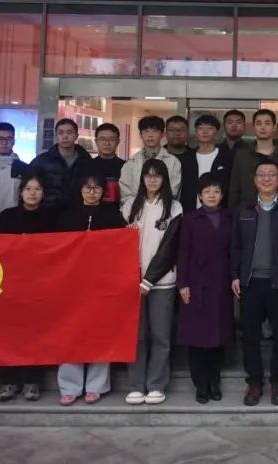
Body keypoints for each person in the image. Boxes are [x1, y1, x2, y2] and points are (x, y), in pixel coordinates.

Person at [52, 172, 126, 406]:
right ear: (80, 190)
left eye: (96, 188)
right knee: (70, 333)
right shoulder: (66, 216)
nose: (92, 192)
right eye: (87, 188)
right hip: (71, 283)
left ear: (104, 192)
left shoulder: (113, 216)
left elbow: (120, 248)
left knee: (99, 332)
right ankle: (69, 386)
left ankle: (96, 386)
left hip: (102, 283)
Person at [232, 159, 278, 406]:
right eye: (262, 174)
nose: (266, 179)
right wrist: (234, 275)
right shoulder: (244, 209)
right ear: (255, 179)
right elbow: (235, 246)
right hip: (250, 282)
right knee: (250, 336)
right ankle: (255, 382)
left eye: (271, 174)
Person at [123, 158, 183, 406]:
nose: (152, 179)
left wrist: (149, 280)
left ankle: (156, 384)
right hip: (131, 282)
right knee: (136, 336)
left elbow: (170, 247)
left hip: (162, 283)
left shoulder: (175, 207)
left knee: (160, 336)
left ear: (164, 179)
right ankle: (136, 385)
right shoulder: (130, 206)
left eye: (157, 175)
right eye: (148, 175)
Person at [0, 172, 55, 401]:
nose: (32, 193)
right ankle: (8, 382)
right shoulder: (6, 217)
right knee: (8, 334)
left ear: (43, 193)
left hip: (39, 286)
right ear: (20, 193)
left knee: (35, 334)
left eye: (37, 189)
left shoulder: (52, 219)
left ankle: (32, 382)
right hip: (9, 284)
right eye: (28, 189)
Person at [177, 173, 233, 405]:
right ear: (200, 195)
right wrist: (183, 283)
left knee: (218, 337)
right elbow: (183, 253)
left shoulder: (229, 218)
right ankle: (200, 384)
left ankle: (214, 382)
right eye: (207, 191)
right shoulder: (191, 219)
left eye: (216, 191)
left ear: (222, 195)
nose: (212, 195)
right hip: (196, 285)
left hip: (221, 284)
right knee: (197, 338)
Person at [228, 109, 278, 210]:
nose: (263, 127)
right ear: (254, 127)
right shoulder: (242, 155)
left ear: (274, 127)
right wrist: (233, 212)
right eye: (258, 123)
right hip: (247, 211)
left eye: (267, 123)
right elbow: (234, 188)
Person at [29, 118, 92, 209]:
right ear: (56, 136)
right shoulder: (42, 161)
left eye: (69, 132)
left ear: (76, 136)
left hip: (79, 211)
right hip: (48, 211)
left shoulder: (86, 160)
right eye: (61, 133)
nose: (65, 136)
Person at [119, 115, 182, 202]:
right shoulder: (130, 163)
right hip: (135, 208)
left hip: (164, 208)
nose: (150, 135)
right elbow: (125, 192)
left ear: (162, 134)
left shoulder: (173, 162)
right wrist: (139, 206)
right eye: (146, 131)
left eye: (155, 131)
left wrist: (153, 205)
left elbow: (173, 191)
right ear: (140, 135)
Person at [179, 114, 232, 212]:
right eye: (201, 128)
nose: (205, 131)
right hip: (190, 212)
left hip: (219, 214)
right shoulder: (187, 158)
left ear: (217, 132)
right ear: (196, 132)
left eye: (210, 128)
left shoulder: (226, 157)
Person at [77, 123, 125, 205]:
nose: (107, 143)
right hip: (92, 211)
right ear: (96, 141)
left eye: (112, 139)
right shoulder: (85, 166)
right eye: (102, 139)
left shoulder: (126, 167)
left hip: (120, 211)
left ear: (118, 142)